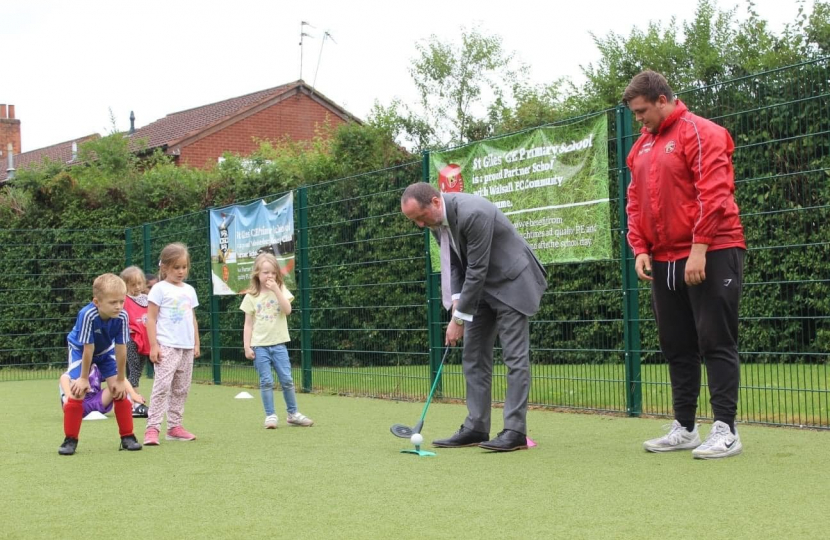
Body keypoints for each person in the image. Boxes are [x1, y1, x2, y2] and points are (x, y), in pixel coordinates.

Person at [623, 70, 747, 459]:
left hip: (713, 249)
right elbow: (635, 200)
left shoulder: (703, 132)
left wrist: (699, 247)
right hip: (663, 257)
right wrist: (640, 247)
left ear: (662, 99)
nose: (638, 119)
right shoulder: (641, 146)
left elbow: (716, 192)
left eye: (642, 111)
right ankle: (686, 428)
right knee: (676, 344)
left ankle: (726, 430)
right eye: (634, 113)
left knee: (715, 339)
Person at [400, 183, 548, 452]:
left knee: (514, 357)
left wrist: (458, 320)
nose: (420, 225)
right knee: (473, 354)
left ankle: (515, 431)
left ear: (435, 202)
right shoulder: (437, 223)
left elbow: (477, 268)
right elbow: (455, 263)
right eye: (414, 221)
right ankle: (476, 427)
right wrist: (457, 303)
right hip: (482, 289)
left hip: (512, 281)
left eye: (420, 218)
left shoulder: (472, 213)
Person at [58, 273, 142, 455]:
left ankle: (128, 436)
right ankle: (70, 440)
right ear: (97, 302)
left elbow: (121, 348)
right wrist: (82, 378)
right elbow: (88, 348)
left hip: (105, 352)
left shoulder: (122, 316)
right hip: (81, 350)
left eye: (121, 301)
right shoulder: (87, 314)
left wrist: (120, 379)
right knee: (77, 392)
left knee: (118, 391)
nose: (119, 306)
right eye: (113, 302)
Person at [241, 252, 314, 429]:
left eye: (273, 272)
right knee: (266, 381)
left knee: (287, 379)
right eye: (266, 272)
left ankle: (293, 413)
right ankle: (270, 416)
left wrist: (276, 290)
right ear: (257, 273)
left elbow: (287, 310)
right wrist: (247, 346)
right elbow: (248, 324)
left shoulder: (281, 290)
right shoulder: (251, 296)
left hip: (279, 345)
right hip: (260, 347)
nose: (270, 276)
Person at [143, 243, 201, 445]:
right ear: (165, 267)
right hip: (166, 346)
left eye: (184, 267)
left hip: (186, 347)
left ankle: (174, 427)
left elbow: (192, 318)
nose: (181, 271)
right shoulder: (159, 289)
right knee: (162, 386)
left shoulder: (189, 290)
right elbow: (150, 319)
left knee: (181, 388)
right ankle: (152, 428)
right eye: (176, 267)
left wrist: (196, 343)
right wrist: (154, 345)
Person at [120, 266, 150, 417]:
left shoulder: (147, 299)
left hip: (145, 341)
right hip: (131, 341)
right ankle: (136, 403)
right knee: (134, 370)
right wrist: (127, 331)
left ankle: (129, 400)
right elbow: (119, 319)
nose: (137, 287)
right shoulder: (124, 300)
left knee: (137, 370)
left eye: (140, 283)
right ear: (125, 286)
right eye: (133, 284)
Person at [60, 364, 145, 417]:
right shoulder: (78, 367)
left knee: (117, 384)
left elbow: (118, 377)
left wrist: (133, 394)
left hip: (98, 401)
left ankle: (133, 406)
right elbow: (64, 378)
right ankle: (68, 403)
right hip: (81, 404)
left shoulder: (98, 367)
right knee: (71, 385)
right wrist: (68, 397)